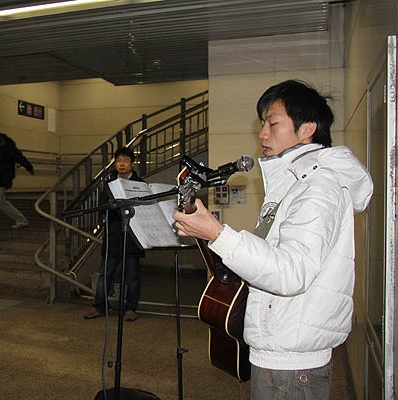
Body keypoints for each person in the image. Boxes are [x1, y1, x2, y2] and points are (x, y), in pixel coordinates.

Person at [173, 80, 373, 398]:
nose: (262, 134)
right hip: (280, 351)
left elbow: (290, 273)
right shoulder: (293, 185)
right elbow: (270, 259)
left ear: (307, 129)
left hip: (293, 365)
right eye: (263, 123)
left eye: (273, 123)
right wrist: (210, 235)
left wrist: (217, 233)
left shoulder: (318, 187)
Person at [84, 147, 145, 322]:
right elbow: (103, 205)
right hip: (113, 236)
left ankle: (131, 308)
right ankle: (99, 306)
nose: (122, 164)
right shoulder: (110, 182)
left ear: (132, 163)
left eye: (126, 160)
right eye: (119, 160)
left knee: (132, 276)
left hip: (133, 237)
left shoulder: (140, 183)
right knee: (106, 274)